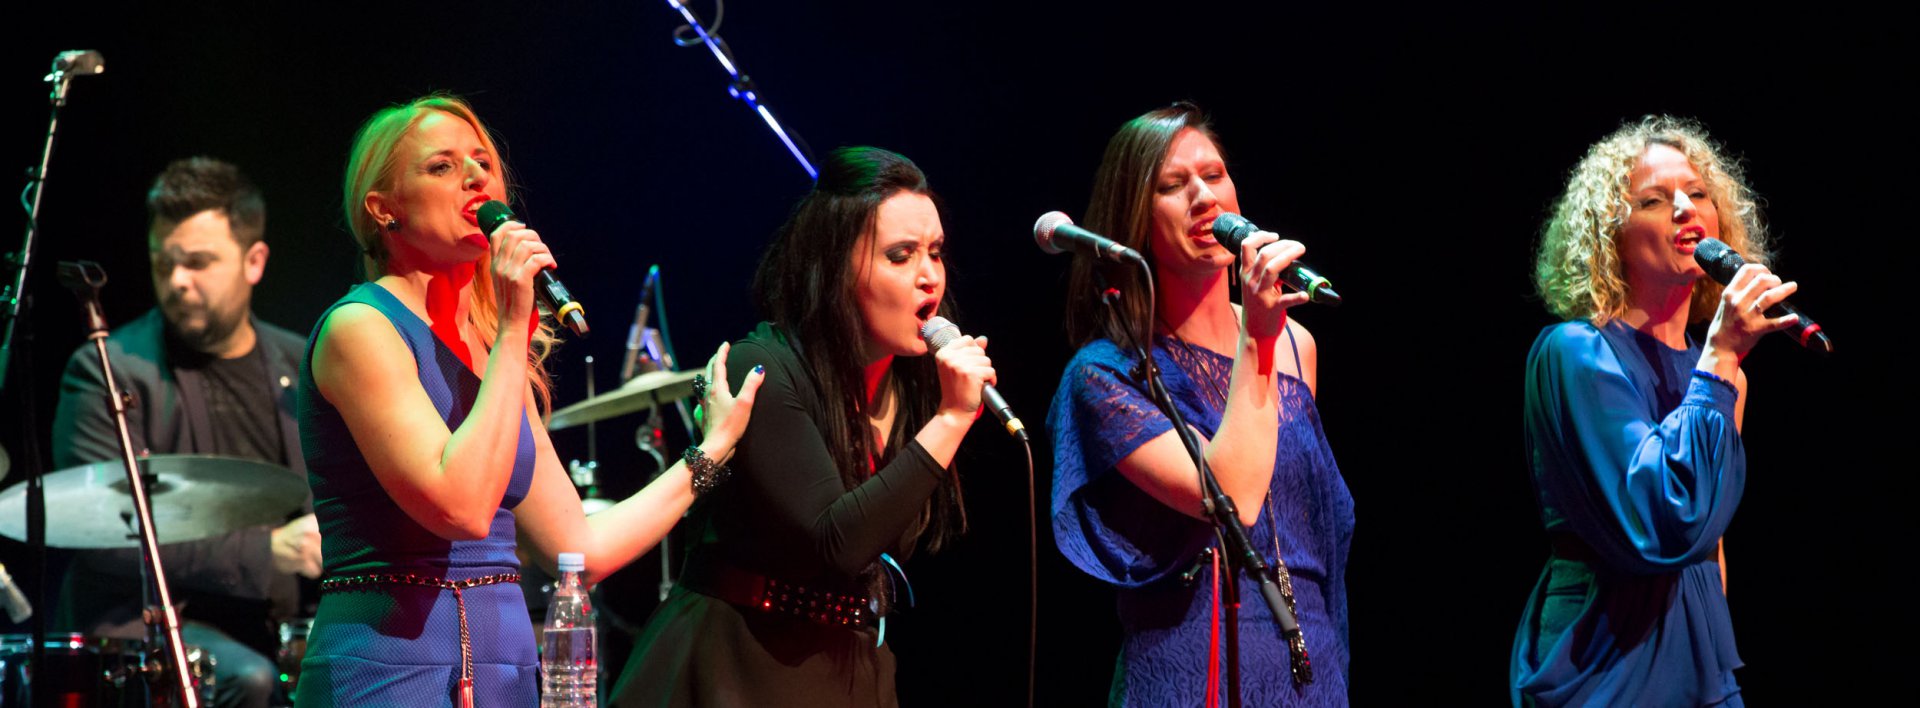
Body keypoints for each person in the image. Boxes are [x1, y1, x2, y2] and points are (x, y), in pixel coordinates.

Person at [295, 94, 763, 707]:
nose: (474, 178)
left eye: (483, 163)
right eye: (441, 166)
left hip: (507, 671)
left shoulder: (490, 349)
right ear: (384, 209)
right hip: (391, 672)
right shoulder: (361, 328)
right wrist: (516, 325)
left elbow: (580, 550)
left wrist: (712, 450)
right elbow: (460, 507)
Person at [608, 146, 991, 707]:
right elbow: (838, 542)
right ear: (835, 266)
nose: (929, 276)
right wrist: (952, 419)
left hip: (847, 666)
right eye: (900, 255)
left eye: (935, 253)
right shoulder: (763, 368)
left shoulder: (913, 384)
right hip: (737, 667)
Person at [1048, 103, 1353, 706]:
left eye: (1214, 176)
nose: (1204, 198)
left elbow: (1302, 530)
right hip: (1190, 665)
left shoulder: (1298, 346)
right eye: (1172, 185)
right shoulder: (1107, 374)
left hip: (1309, 663)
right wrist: (1257, 339)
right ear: (1134, 218)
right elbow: (1233, 495)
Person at [1512, 116, 1793, 707]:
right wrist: (1721, 356)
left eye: (1698, 194)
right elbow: (1656, 519)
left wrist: (1711, 659)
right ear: (1609, 235)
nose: (1686, 209)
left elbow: (1708, 539)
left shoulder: (1720, 373)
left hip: (1699, 652)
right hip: (1605, 650)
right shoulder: (1576, 352)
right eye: (1654, 200)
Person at [50, 157, 319, 708]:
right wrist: (267, 551)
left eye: (197, 263)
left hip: (282, 620)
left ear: (254, 261)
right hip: (148, 624)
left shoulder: (304, 362)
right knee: (250, 680)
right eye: (163, 262)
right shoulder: (106, 369)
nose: (177, 280)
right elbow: (107, 532)